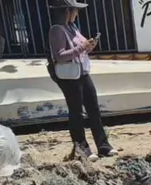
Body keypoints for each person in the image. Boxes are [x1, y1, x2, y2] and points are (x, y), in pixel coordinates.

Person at [47, 0, 117, 162]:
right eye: (75, 10)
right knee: (76, 112)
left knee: (93, 109)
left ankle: (103, 145)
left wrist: (88, 46)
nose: (77, 13)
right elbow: (60, 56)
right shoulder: (57, 30)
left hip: (82, 73)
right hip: (70, 77)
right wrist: (82, 47)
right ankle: (82, 148)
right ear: (67, 11)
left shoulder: (73, 27)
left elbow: (80, 48)